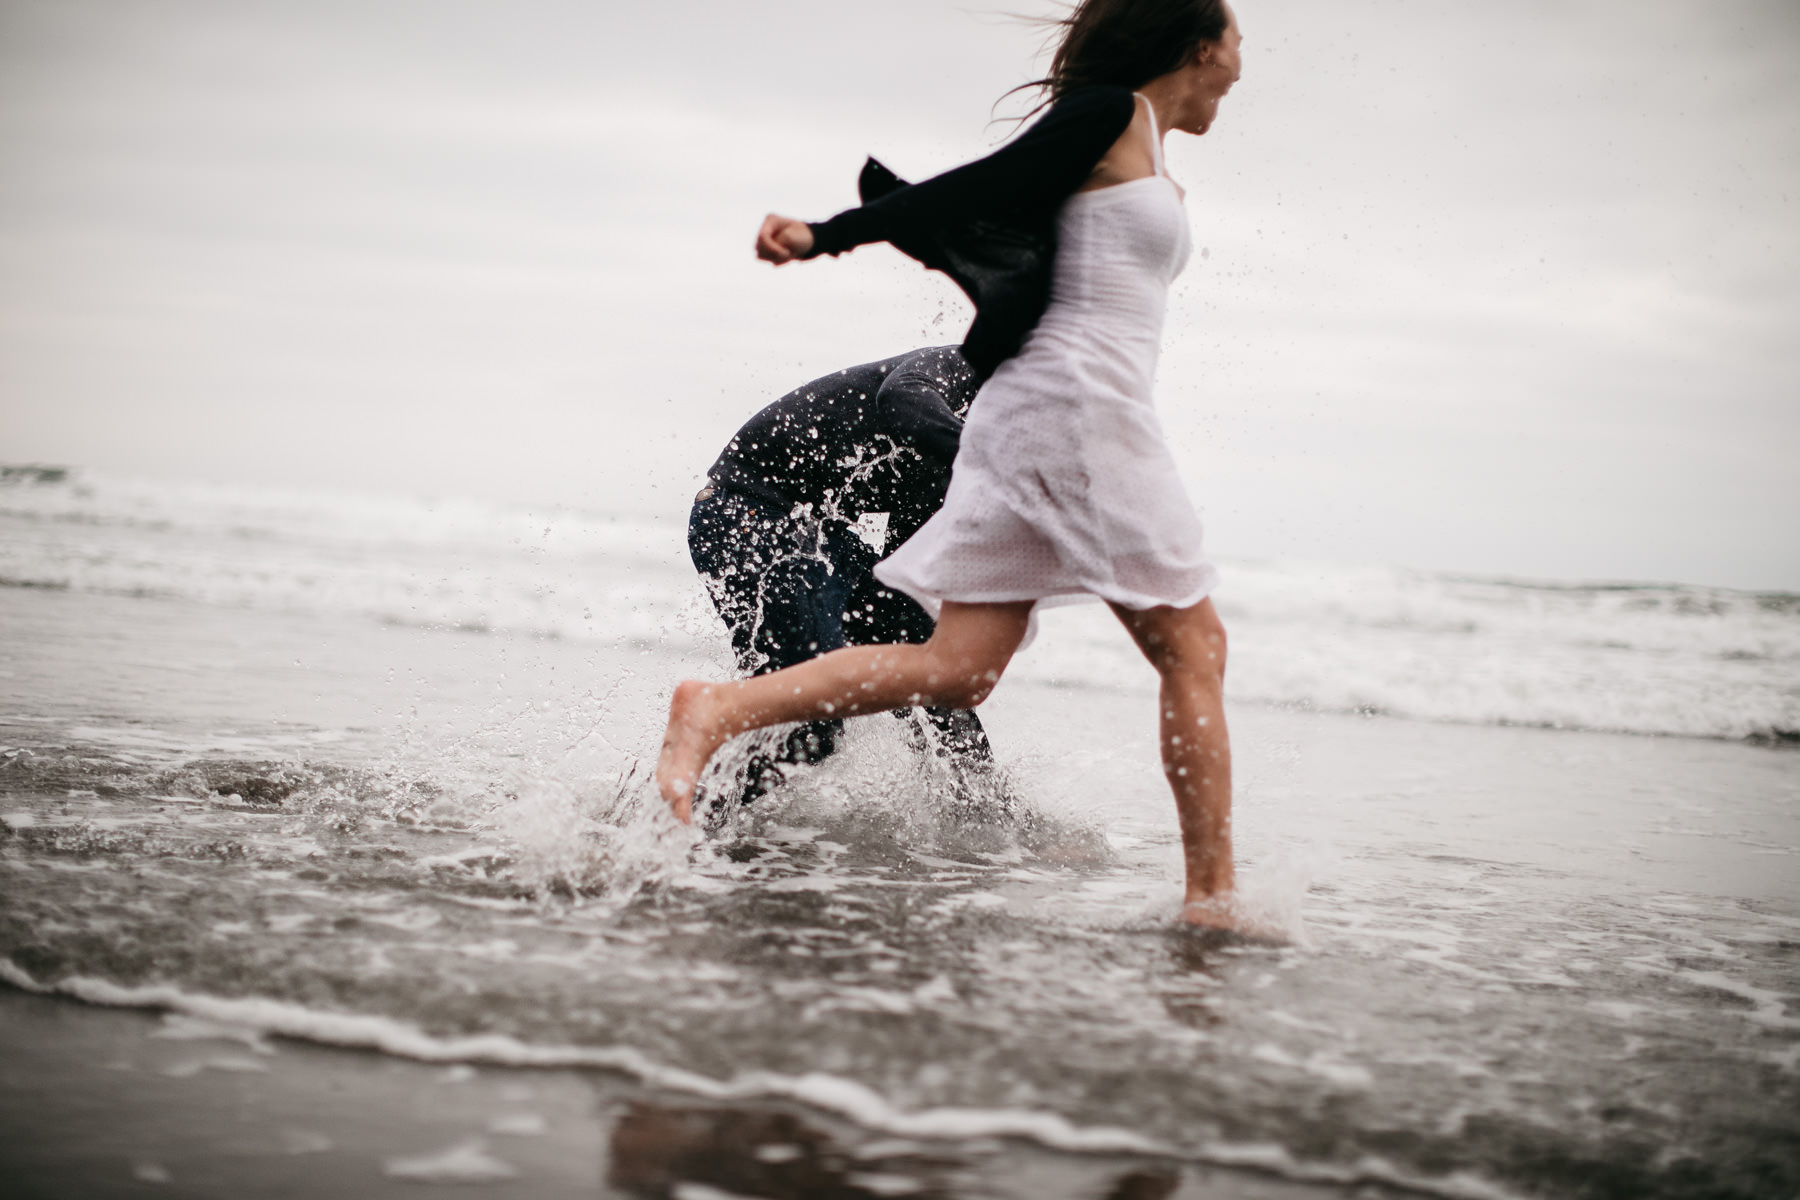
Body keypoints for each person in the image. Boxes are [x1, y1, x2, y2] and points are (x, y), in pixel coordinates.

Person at [660, 0, 1247, 928]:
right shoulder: (1107, 116)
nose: (1243, 66)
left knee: (958, 668)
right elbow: (970, 189)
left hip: (1051, 411)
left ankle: (723, 713)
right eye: (1238, 42)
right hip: (1066, 413)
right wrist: (828, 234)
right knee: (1195, 647)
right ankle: (1213, 904)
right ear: (1202, 44)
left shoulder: (1135, 146)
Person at [688, 346, 994, 808]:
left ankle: (993, 820)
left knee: (932, 666)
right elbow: (903, 400)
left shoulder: (960, 460)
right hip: (745, 512)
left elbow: (901, 577)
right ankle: (683, 830)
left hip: (817, 537)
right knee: (814, 720)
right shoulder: (964, 364)